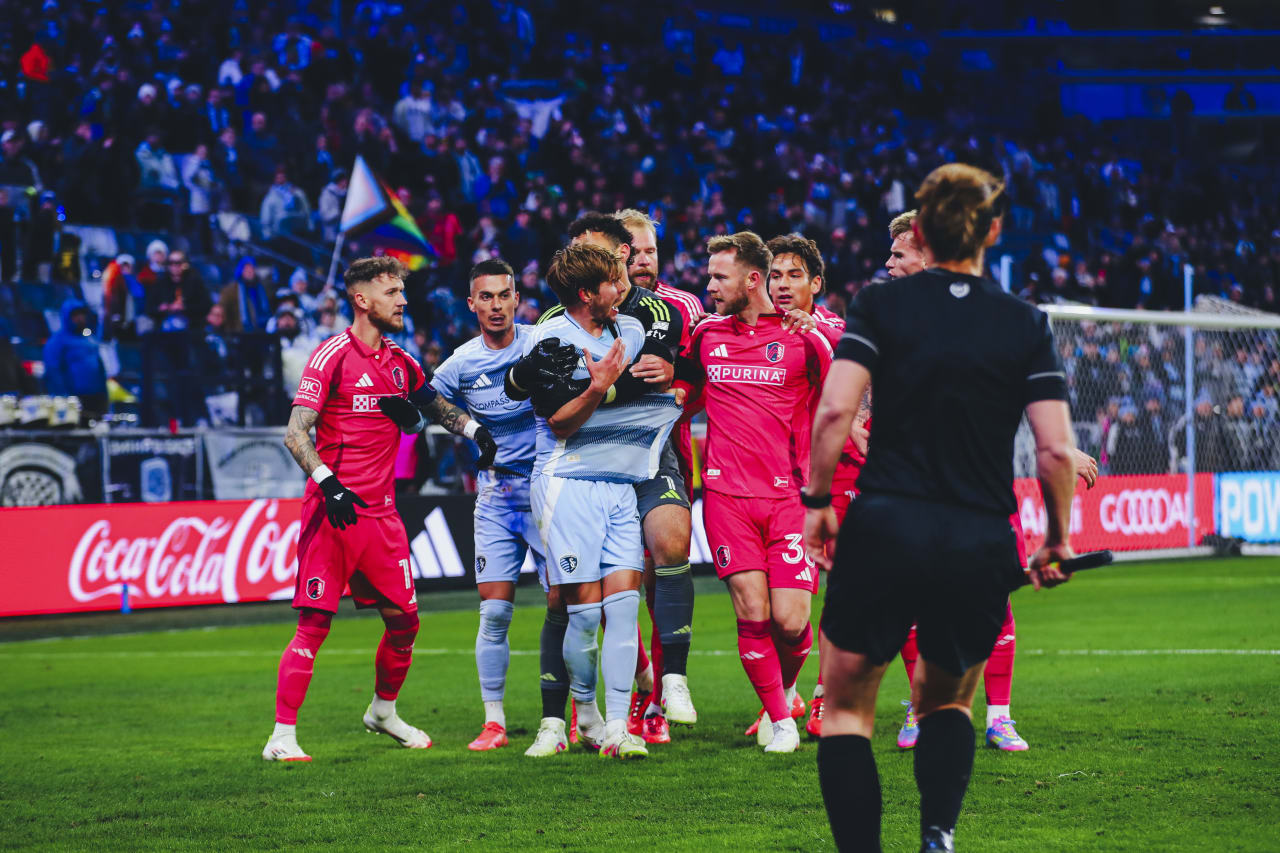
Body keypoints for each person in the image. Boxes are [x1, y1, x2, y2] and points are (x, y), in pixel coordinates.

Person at [804, 164, 1078, 851]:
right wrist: (1057, 538)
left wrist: (816, 499)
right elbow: (1054, 452)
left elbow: (836, 408)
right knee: (950, 699)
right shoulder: (1024, 322)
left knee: (844, 709)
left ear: (919, 228)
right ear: (993, 230)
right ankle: (937, 834)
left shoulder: (879, 305)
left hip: (886, 522)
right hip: (977, 534)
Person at [262, 257, 498, 763]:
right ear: (362, 299)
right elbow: (295, 432)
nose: (402, 300)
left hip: (382, 516)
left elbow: (435, 409)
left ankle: (383, 711)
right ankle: (282, 736)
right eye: (391, 291)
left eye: (402, 291)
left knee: (404, 624)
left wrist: (477, 433)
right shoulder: (329, 356)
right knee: (314, 624)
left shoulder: (400, 360)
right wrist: (328, 484)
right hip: (334, 511)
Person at [508, 242, 682, 760]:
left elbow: (649, 368)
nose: (623, 286)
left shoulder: (627, 329)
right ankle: (585, 715)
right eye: (613, 280)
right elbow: (558, 421)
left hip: (620, 483)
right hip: (568, 483)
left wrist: (637, 379)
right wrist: (596, 388)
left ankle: (618, 727)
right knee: (583, 616)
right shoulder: (551, 338)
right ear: (588, 293)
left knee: (624, 609)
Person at [671, 231, 834, 754]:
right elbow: (685, 391)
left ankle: (784, 691)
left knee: (791, 622)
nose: (710, 286)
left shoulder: (805, 337)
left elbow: (845, 399)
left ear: (751, 279)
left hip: (790, 499)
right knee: (752, 613)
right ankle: (780, 719)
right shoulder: (705, 334)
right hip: (724, 499)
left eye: (719, 277)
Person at [429, 259, 553, 754]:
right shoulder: (461, 362)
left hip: (547, 493)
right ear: (472, 304)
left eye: (504, 295)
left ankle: (569, 714)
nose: (497, 305)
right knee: (495, 613)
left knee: (569, 608)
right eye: (487, 297)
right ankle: (494, 721)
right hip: (497, 497)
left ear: (517, 299)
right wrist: (469, 428)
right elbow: (428, 400)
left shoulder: (540, 342)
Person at [766, 232, 868, 739]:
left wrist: (816, 337)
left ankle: (826, 694)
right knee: (776, 605)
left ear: (816, 283)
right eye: (775, 275)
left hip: (836, 477)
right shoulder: (757, 329)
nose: (783, 285)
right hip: (775, 481)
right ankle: (783, 694)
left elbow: (850, 391)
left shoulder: (833, 328)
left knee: (839, 587)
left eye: (794, 275)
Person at [616, 207, 707, 742]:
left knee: (657, 576)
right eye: (634, 250)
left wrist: (677, 389)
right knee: (612, 586)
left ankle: (655, 700)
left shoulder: (681, 307)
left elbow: (702, 375)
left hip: (665, 459)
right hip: (604, 465)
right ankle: (643, 684)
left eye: (650, 250)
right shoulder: (589, 308)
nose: (644, 260)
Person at [42, 299, 109, 420]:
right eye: (75, 315)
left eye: (82, 314)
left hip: (97, 396)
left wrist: (105, 393)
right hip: (74, 399)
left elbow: (100, 368)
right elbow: (53, 370)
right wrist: (63, 397)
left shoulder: (90, 339)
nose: (80, 318)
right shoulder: (57, 341)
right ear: (67, 316)